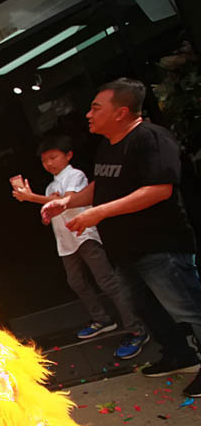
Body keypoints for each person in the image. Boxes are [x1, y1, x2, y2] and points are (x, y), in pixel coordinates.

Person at [42, 78, 201, 396]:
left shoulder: (151, 139)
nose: (88, 114)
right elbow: (102, 185)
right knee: (140, 305)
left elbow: (159, 189)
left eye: (96, 108)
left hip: (160, 245)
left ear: (121, 112)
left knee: (189, 308)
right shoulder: (107, 145)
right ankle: (178, 354)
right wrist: (68, 202)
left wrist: (99, 213)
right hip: (125, 250)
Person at [13, 134, 146, 356]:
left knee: (107, 282)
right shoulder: (50, 186)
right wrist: (46, 212)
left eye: (54, 157)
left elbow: (70, 200)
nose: (49, 164)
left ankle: (136, 328)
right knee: (76, 282)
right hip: (66, 241)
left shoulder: (75, 175)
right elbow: (55, 210)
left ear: (68, 155)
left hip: (85, 235)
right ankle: (102, 319)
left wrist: (31, 198)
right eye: (45, 160)